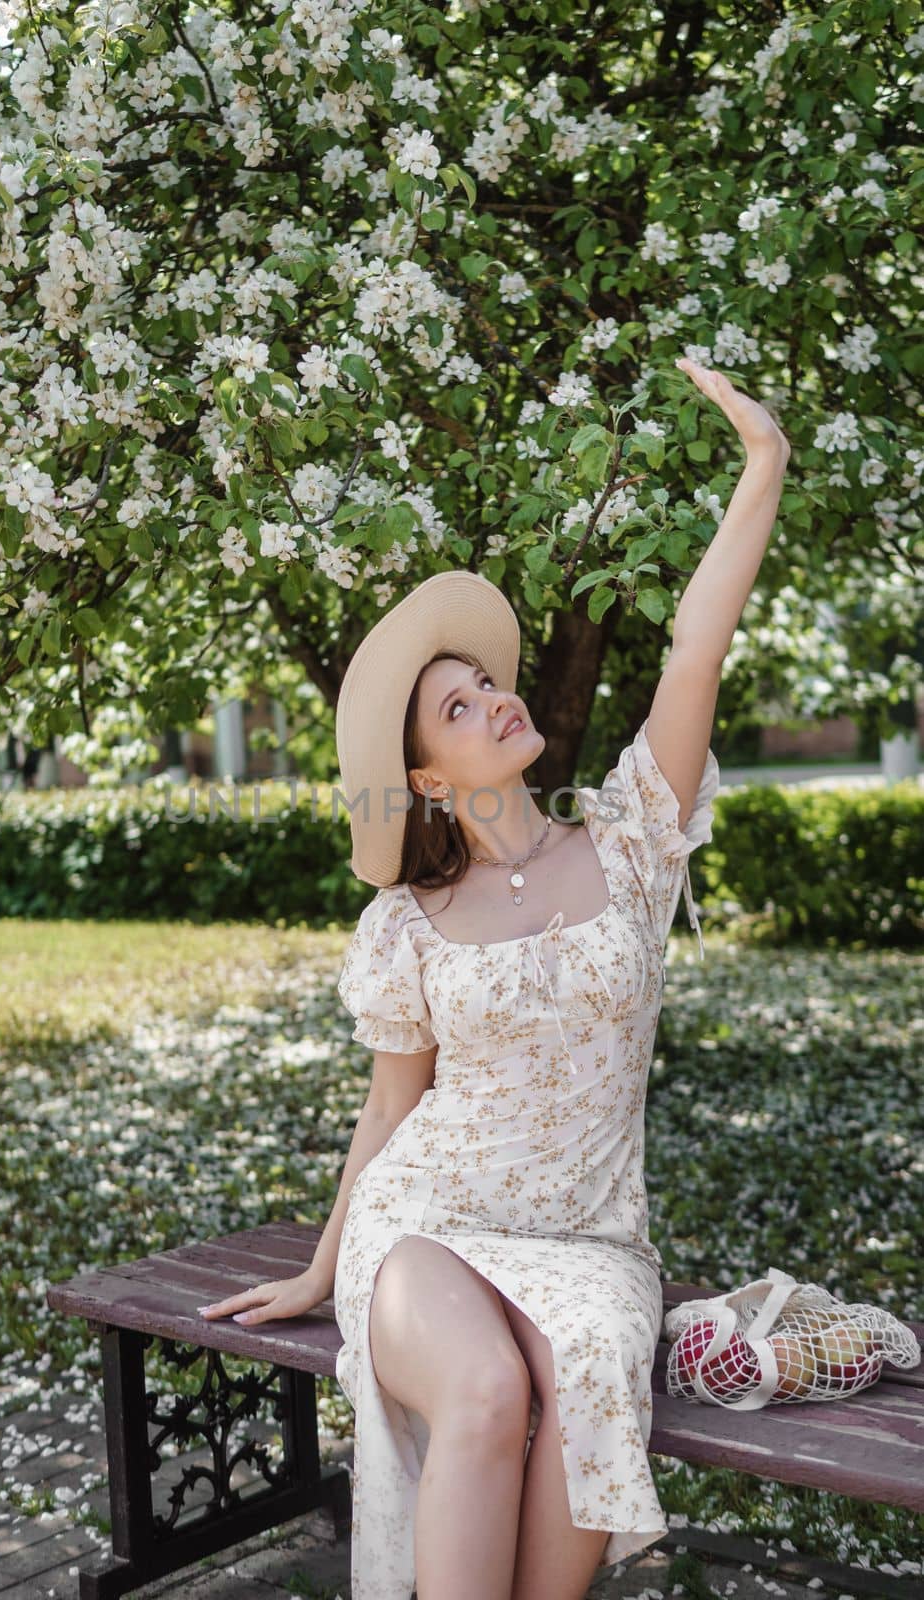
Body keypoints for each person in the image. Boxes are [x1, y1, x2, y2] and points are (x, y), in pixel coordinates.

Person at [198, 358, 791, 1600]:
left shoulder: (628, 837)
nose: (495, 698)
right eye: (458, 708)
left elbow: (696, 645)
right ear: (425, 778)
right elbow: (390, 1109)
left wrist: (762, 462)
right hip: (427, 1227)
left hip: (589, 1240)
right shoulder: (408, 924)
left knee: (573, 1380)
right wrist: (323, 1265)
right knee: (482, 1390)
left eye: (487, 685)